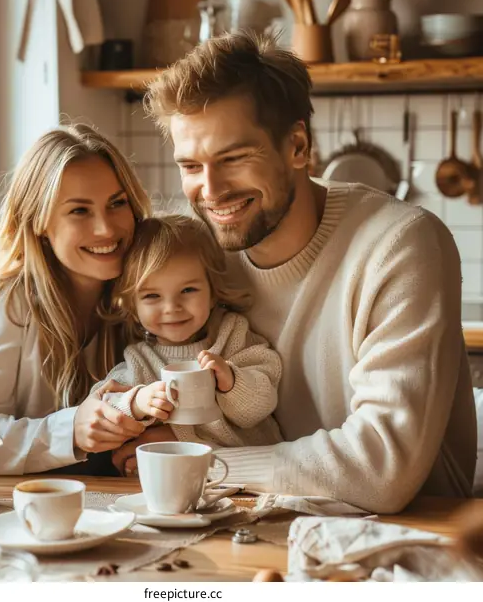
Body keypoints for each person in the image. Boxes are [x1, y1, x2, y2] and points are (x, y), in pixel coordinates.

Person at [113, 32, 477, 513]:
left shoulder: (401, 244)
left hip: (409, 537)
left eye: (234, 158)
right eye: (191, 165)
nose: (211, 190)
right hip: (253, 521)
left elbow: (381, 471)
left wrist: (204, 464)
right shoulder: (206, 260)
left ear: (298, 146)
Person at [0, 124, 151, 475]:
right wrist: (71, 429)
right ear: (40, 223)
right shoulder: (9, 305)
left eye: (117, 203)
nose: (106, 229)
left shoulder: (149, 290)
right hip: (32, 506)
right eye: (80, 211)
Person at [91, 214, 282, 463]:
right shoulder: (140, 360)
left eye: (188, 290)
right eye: (152, 296)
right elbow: (101, 406)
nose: (172, 307)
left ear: (213, 292)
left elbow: (260, 406)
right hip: (176, 476)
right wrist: (137, 402)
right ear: (132, 307)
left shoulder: (233, 335)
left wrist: (232, 382)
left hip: (247, 470)